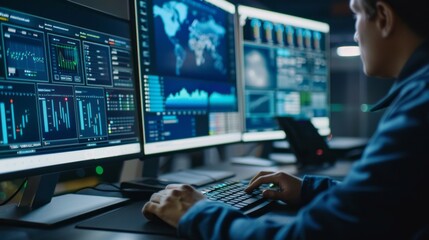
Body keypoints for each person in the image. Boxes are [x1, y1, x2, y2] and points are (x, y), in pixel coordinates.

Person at [142, 0, 429, 238]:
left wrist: (199, 214)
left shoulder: (420, 106)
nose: (355, 34)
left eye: (355, 14)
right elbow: (393, 201)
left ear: (384, 16)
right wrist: (308, 189)